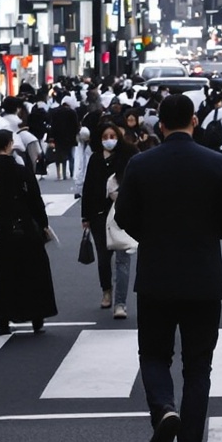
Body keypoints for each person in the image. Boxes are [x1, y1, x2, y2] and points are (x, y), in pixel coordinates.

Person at [115, 91, 222, 442]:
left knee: (154, 356)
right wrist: (208, 235)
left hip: (156, 274)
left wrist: (151, 236)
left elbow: (124, 216)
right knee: (198, 366)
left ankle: (163, 411)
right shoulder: (217, 163)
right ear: (193, 121)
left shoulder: (141, 164)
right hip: (204, 277)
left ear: (161, 123)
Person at [0, 126, 57, 337]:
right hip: (24, 226)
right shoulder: (21, 170)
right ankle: (37, 318)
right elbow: (35, 200)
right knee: (33, 273)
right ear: (9, 145)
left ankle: (3, 321)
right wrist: (42, 224)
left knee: (3, 274)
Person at [82, 118, 136, 316]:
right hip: (99, 215)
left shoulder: (129, 155)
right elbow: (88, 188)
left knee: (123, 259)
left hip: (123, 214)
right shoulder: (96, 159)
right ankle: (106, 291)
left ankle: (120, 303)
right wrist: (84, 217)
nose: (109, 140)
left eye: (112, 136)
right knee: (104, 259)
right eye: (105, 137)